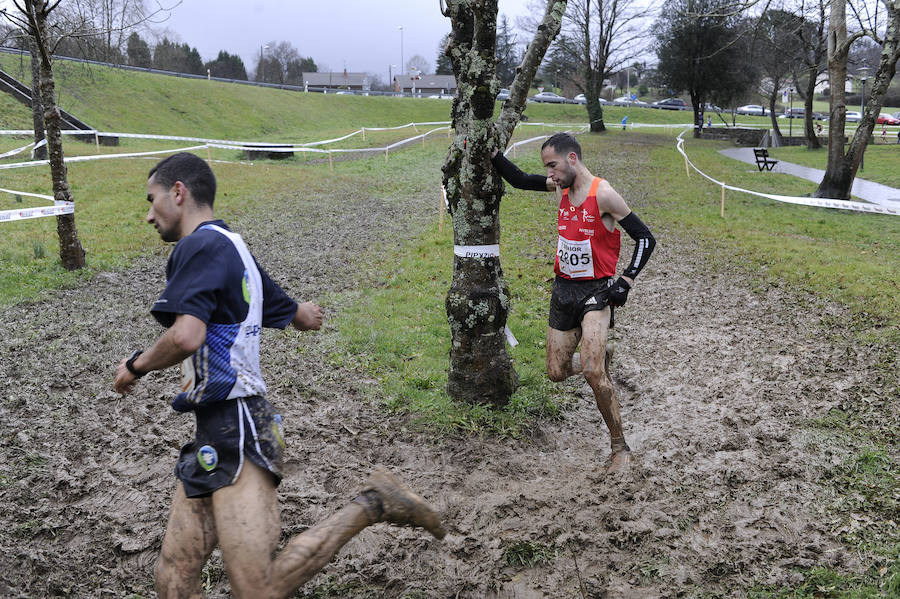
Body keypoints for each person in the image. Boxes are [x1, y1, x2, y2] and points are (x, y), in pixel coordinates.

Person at [113, 152, 445, 599]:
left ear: (179, 192)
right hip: (213, 429)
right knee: (174, 576)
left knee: (259, 590)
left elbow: (187, 336)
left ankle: (374, 503)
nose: (148, 215)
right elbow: (287, 310)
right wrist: (300, 314)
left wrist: (134, 366)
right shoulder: (231, 245)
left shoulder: (198, 246)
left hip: (240, 427)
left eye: (153, 200)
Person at [491, 133, 656, 473]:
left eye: (552, 166)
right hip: (563, 291)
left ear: (571, 159)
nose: (549, 175)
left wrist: (625, 281)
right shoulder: (559, 188)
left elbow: (645, 238)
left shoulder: (604, 194)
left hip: (596, 291)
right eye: (546, 169)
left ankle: (619, 447)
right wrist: (490, 152)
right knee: (556, 372)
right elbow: (520, 180)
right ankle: (600, 356)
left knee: (593, 372)